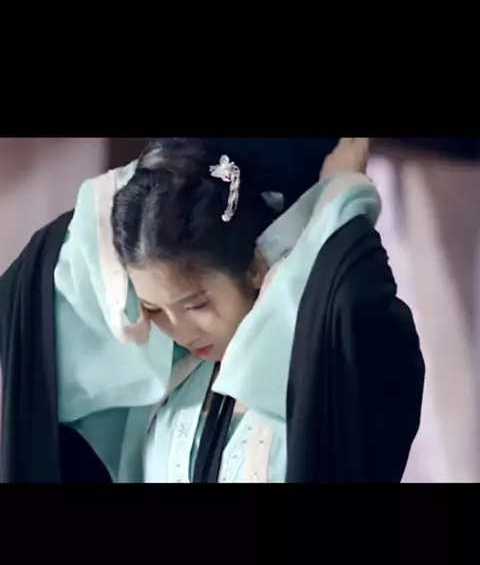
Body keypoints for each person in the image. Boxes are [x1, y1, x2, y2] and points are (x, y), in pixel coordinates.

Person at [0, 137, 424, 483]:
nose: (181, 330)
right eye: (153, 309)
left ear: (255, 266)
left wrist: (338, 201)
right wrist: (158, 186)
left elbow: (355, 305)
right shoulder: (167, 385)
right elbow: (40, 291)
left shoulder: (312, 377)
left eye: (197, 304)